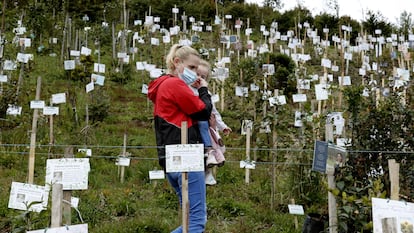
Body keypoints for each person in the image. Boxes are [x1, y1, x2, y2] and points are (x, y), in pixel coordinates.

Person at [147, 44, 212, 233]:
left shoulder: (161, 85)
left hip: (172, 159)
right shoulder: (174, 84)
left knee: (189, 221)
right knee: (196, 223)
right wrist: (204, 90)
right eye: (191, 68)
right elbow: (203, 111)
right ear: (177, 62)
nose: (195, 73)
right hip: (187, 158)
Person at [193, 60, 232, 185]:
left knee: (213, 143)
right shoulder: (186, 89)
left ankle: (209, 170)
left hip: (205, 127)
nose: (199, 78)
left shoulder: (206, 93)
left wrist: (222, 126)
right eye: (197, 74)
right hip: (191, 127)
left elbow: (214, 112)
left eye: (203, 77)